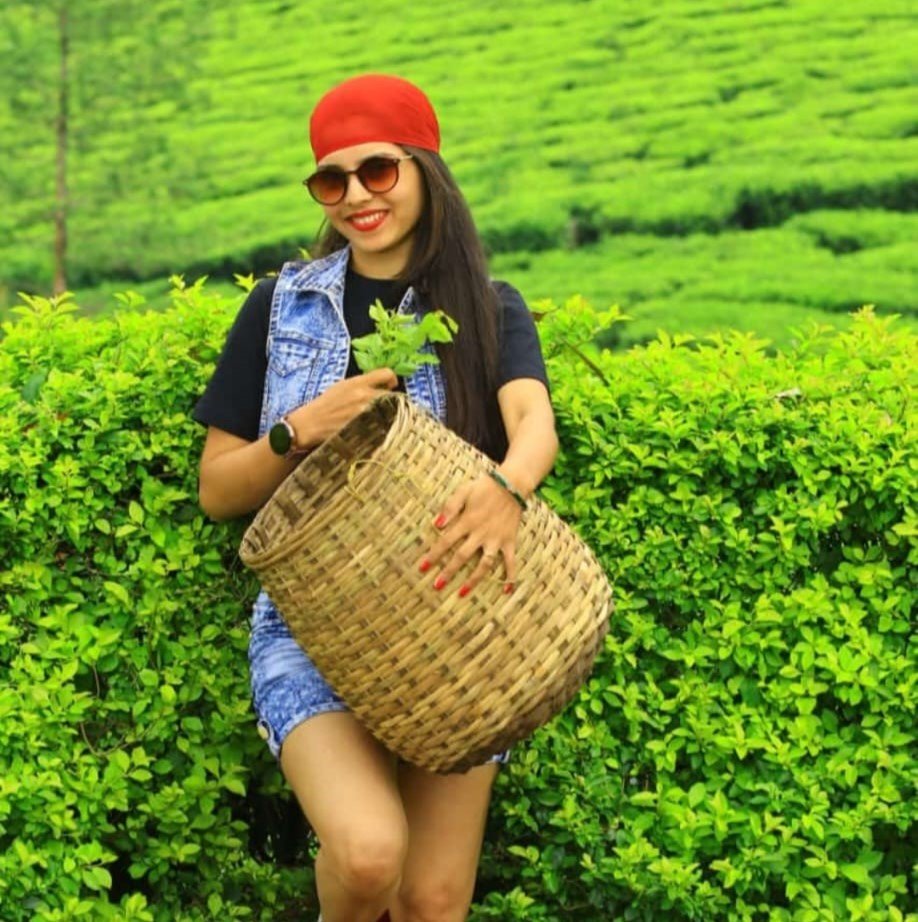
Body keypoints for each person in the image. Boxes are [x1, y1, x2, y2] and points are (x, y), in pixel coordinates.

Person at [193, 73, 558, 922]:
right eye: (333, 179)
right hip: (312, 630)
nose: (357, 195)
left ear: (426, 171)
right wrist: (297, 430)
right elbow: (217, 489)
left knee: (432, 899)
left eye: (379, 170)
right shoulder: (279, 308)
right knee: (367, 856)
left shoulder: (488, 309)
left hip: (457, 627)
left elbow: (533, 423)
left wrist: (507, 488)